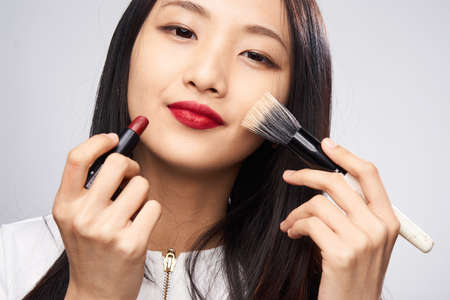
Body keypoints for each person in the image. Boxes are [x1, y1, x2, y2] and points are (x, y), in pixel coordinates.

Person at [0, 0, 401, 299]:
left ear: (292, 101)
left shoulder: (333, 283)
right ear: (129, 47)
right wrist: (92, 292)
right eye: (182, 31)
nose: (206, 76)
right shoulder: (10, 259)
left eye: (256, 55)